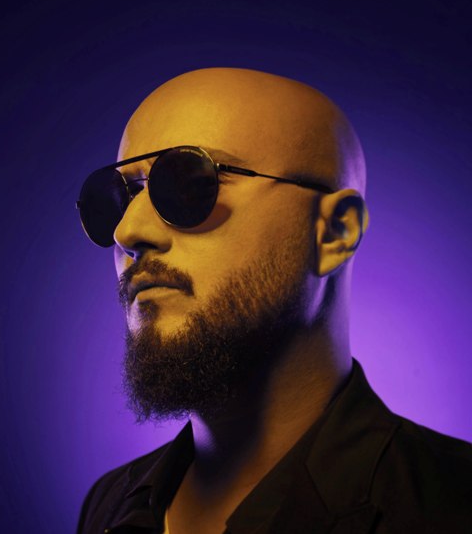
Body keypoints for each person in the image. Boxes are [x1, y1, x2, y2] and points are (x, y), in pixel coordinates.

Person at [76, 68, 471, 534]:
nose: (127, 232)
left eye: (189, 183)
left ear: (334, 233)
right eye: (119, 199)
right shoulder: (108, 506)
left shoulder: (453, 507)